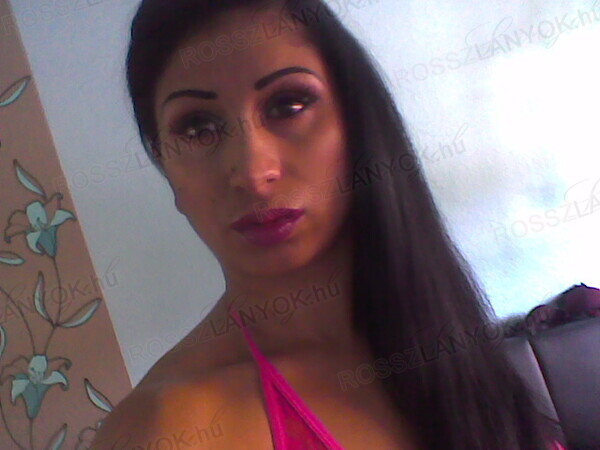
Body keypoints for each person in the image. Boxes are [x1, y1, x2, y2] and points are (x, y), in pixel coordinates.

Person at [92, 0, 566, 448]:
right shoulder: (167, 429)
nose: (254, 173)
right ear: (164, 165)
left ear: (357, 120)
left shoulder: (441, 335)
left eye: (288, 104)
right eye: (197, 128)